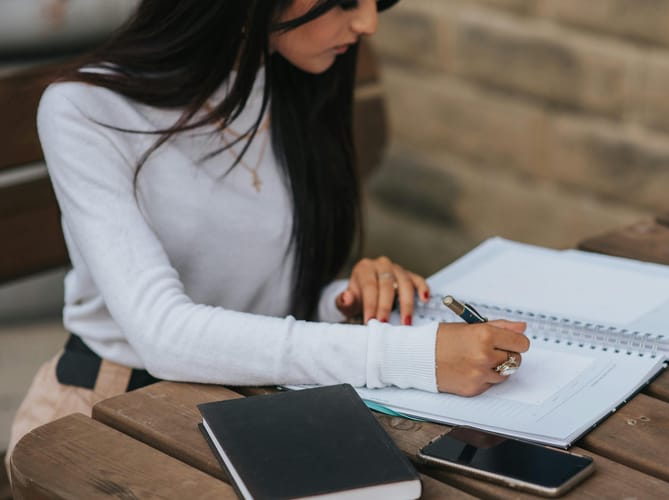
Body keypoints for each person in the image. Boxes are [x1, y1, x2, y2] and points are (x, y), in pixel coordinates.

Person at [6, 0, 529, 470]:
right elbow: (162, 333)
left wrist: (344, 301)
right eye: (345, 0)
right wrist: (411, 357)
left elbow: (264, 295)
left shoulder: (288, 75)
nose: (369, 22)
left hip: (261, 401)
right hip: (115, 406)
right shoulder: (87, 109)